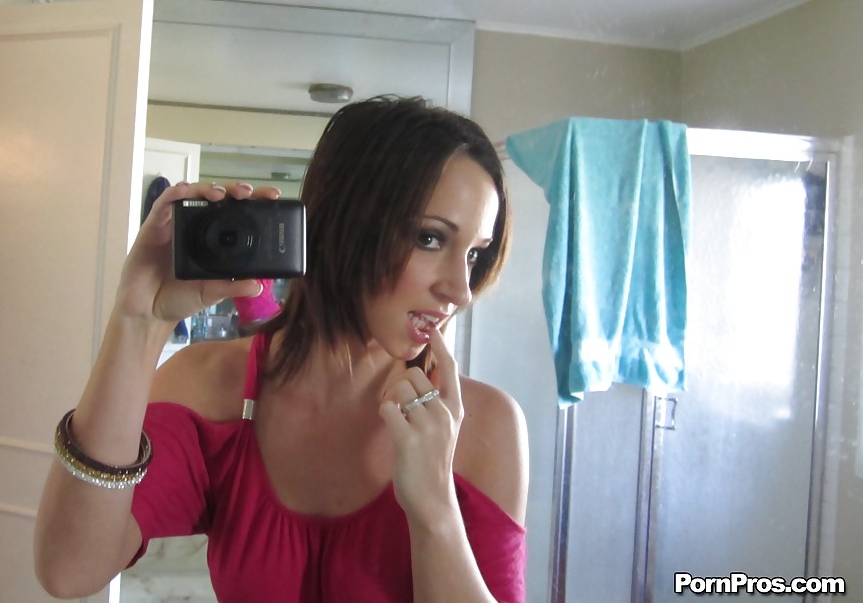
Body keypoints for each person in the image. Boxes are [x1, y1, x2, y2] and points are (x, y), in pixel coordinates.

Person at [34, 95, 529, 602]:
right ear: (345, 220)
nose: (460, 290)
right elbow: (69, 569)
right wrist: (138, 321)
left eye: (474, 254)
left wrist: (436, 509)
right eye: (430, 238)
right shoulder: (214, 388)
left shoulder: (484, 426)